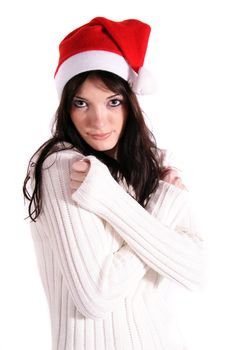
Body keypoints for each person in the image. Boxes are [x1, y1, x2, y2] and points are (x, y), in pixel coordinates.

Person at [23, 17, 205, 350]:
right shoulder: (62, 165)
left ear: (130, 103)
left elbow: (195, 271)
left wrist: (112, 201)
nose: (98, 121)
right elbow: (94, 296)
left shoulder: (149, 167)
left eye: (113, 102)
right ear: (66, 107)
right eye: (81, 103)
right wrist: (160, 212)